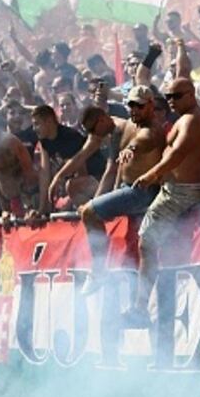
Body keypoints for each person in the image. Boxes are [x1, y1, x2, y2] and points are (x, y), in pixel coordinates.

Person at [123, 78, 200, 327]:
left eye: (177, 96)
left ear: (192, 94)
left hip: (182, 191)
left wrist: (151, 174)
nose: (172, 101)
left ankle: (140, 308)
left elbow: (177, 153)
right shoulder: (185, 118)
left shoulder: (193, 120)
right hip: (175, 188)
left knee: (147, 241)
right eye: (168, 97)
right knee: (154, 244)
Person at [74, 87, 167, 293]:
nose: (135, 110)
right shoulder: (124, 126)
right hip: (129, 188)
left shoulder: (151, 128)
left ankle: (98, 271)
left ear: (150, 106)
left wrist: (132, 148)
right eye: (131, 105)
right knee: (133, 254)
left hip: (142, 192)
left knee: (90, 212)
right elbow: (113, 169)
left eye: (140, 106)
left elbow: (145, 139)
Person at [30, 105, 104, 215]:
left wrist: (69, 202)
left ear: (49, 121)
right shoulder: (44, 141)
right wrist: (42, 208)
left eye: (37, 124)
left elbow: (82, 172)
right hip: (77, 186)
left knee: (71, 186)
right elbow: (44, 174)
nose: (34, 128)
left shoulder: (69, 137)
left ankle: (95, 215)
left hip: (98, 180)